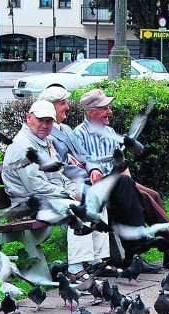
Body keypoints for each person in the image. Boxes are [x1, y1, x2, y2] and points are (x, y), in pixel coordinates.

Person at [2, 100, 92, 282]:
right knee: (77, 210)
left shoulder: (44, 142)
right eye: (40, 120)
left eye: (49, 121)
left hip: (46, 198)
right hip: (28, 205)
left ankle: (94, 261)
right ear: (29, 118)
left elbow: (58, 176)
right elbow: (36, 186)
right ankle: (75, 269)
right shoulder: (23, 146)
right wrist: (67, 194)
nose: (44, 125)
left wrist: (74, 189)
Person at [36, 86, 117, 279]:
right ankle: (75, 267)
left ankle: (97, 260)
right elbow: (57, 167)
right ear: (50, 107)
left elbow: (84, 155)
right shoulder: (44, 132)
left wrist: (94, 168)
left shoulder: (66, 129)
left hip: (74, 182)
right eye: (62, 103)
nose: (67, 107)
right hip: (54, 189)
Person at [74, 88, 169, 226]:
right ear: (91, 112)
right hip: (99, 188)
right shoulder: (78, 135)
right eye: (104, 108)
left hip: (120, 183)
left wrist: (130, 184)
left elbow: (120, 163)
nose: (110, 112)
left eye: (109, 107)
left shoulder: (110, 132)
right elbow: (80, 168)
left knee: (154, 195)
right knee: (143, 197)